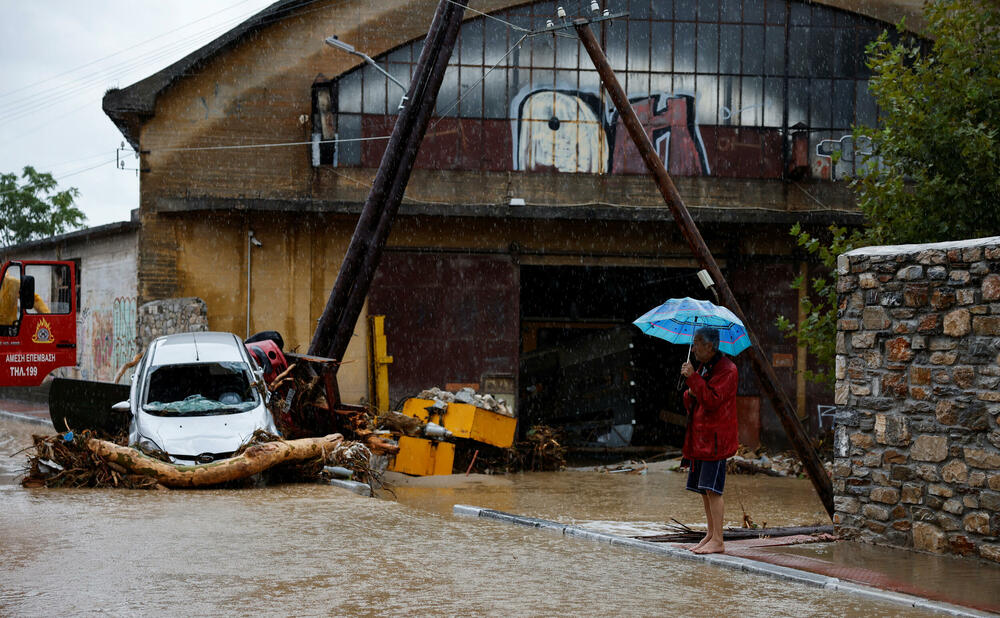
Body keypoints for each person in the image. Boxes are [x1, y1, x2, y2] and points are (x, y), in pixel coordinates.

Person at [680, 326, 739, 554]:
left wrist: (693, 379)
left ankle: (719, 540)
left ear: (710, 346)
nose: (693, 349)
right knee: (704, 489)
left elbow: (713, 401)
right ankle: (711, 533)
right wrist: (691, 387)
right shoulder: (706, 367)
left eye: (696, 344)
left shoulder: (728, 370)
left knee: (714, 490)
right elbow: (693, 400)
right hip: (701, 438)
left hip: (716, 440)